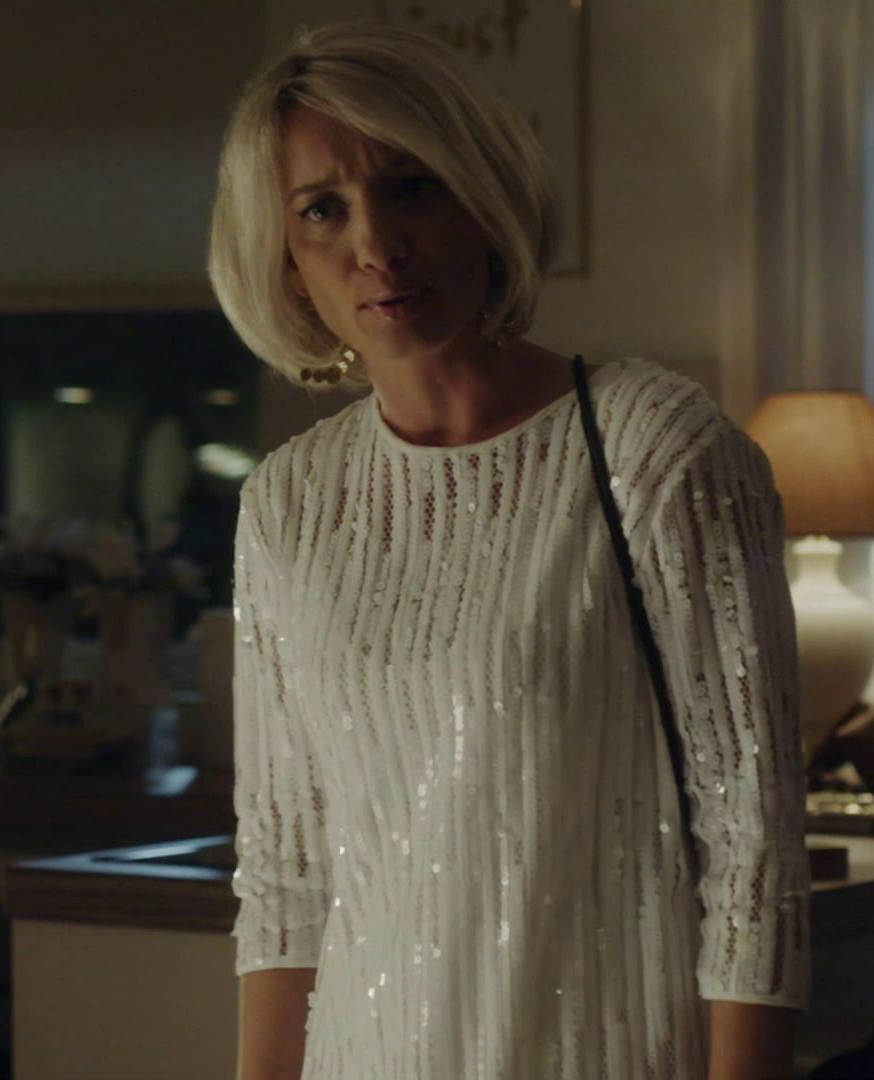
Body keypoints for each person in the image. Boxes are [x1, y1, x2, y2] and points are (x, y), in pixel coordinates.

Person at [207, 19, 810, 1080]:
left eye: (410, 188)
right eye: (322, 210)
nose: (375, 245)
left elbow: (754, 851)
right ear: (288, 264)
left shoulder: (657, 448)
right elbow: (287, 879)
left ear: (483, 203)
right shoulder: (288, 506)